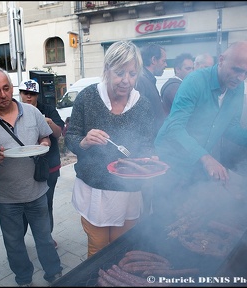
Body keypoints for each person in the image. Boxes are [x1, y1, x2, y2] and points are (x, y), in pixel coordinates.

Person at [153, 41, 247, 217]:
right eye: (237, 69)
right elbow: (175, 127)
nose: (241, 77)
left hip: (196, 160)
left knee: (191, 211)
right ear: (222, 59)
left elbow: (231, 127)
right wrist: (206, 157)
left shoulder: (237, 88)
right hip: (171, 160)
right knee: (166, 214)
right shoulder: (195, 81)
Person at [64, 40, 157, 258]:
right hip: (95, 190)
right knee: (98, 251)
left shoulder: (142, 105)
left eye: (132, 74)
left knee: (122, 250)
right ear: (107, 70)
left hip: (129, 191)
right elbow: (71, 137)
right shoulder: (88, 97)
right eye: (119, 73)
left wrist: (150, 157)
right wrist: (84, 142)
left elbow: (147, 143)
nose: (126, 81)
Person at [0, 68, 63, 287]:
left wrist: (44, 144)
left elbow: (46, 136)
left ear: (12, 87)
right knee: (14, 243)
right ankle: (24, 279)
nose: (3, 95)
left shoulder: (32, 112)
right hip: (6, 197)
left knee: (44, 238)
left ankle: (55, 273)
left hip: (37, 191)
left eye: (6, 88)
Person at [19, 78, 65, 249]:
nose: (29, 97)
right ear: (20, 94)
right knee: (23, 206)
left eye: (32, 94)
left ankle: (46, 238)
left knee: (46, 204)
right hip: (24, 168)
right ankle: (20, 241)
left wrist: (49, 122)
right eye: (25, 93)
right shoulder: (15, 111)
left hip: (49, 167)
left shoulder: (48, 110)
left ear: (37, 95)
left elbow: (59, 133)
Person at [135, 43, 167, 136]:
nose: (166, 64)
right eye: (163, 61)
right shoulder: (141, 81)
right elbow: (140, 117)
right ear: (153, 60)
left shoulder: (147, 80)